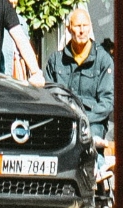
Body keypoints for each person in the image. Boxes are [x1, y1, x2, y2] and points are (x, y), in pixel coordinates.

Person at [45, 7, 113, 142]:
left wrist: (84, 118)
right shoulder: (56, 60)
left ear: (90, 27)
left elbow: (107, 101)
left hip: (93, 123)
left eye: (85, 26)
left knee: (92, 150)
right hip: (62, 121)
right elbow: (48, 95)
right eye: (77, 26)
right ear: (69, 28)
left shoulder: (103, 60)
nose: (81, 30)